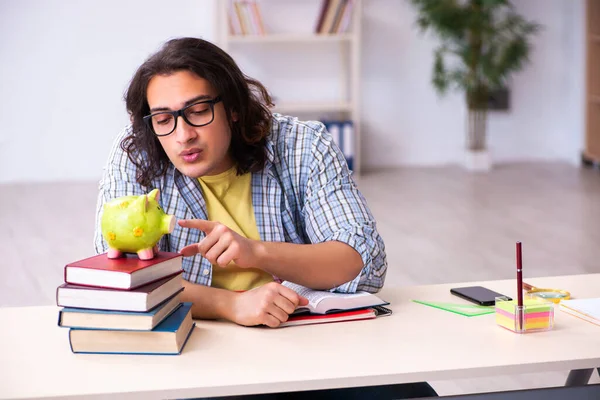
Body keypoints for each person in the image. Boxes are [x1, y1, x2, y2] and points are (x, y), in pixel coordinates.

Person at [93, 37, 436, 399]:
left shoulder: (301, 145)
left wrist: (256, 253)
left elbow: (361, 263)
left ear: (234, 108)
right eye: (164, 119)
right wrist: (231, 305)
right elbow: (122, 281)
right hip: (197, 352)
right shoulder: (136, 155)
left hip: (310, 344)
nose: (183, 135)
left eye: (197, 111)